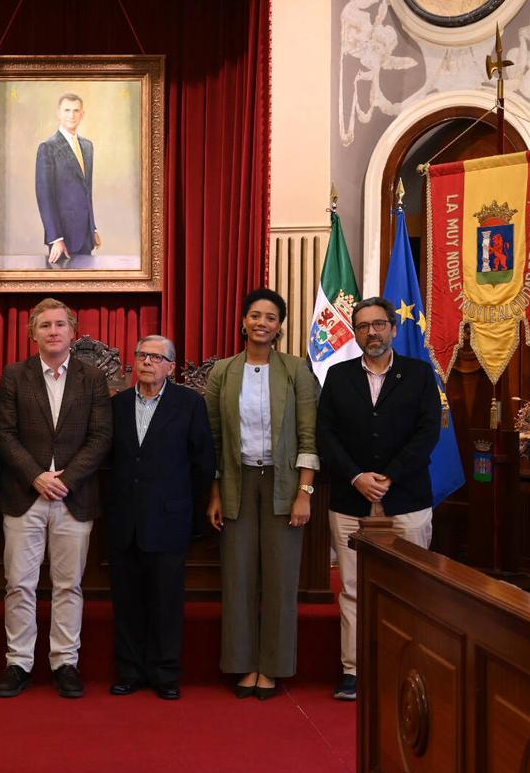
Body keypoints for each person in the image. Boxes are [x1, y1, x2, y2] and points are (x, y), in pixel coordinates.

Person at [317, 296, 441, 701]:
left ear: (394, 328)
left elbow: (428, 434)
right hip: (352, 501)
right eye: (364, 326)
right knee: (352, 587)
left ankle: (405, 667)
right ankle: (353, 670)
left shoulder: (421, 375)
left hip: (406, 498)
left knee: (410, 587)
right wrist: (356, 477)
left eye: (379, 324)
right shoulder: (337, 376)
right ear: (355, 332)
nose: (372, 332)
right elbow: (326, 436)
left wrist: (388, 476)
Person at [0, 298, 112, 698]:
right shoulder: (14, 376)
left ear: (72, 331)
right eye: (45, 326)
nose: (54, 331)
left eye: (60, 324)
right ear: (33, 334)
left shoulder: (92, 378)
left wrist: (67, 480)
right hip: (25, 496)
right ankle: (18, 662)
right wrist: (36, 476)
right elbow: (4, 433)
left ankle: (65, 662)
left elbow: (101, 437)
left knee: (68, 585)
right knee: (19, 585)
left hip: (73, 499)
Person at [206, 288, 319, 700]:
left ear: (279, 327)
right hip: (236, 483)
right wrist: (215, 492)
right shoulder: (223, 371)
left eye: (270, 317)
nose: (262, 323)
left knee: (280, 578)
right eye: (255, 315)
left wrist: (304, 491)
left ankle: (272, 667)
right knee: (237, 577)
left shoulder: (295, 371)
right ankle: (241, 665)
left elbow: (309, 434)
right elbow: (214, 439)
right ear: (243, 322)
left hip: (284, 485)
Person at [107, 335, 215, 700]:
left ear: (171, 366)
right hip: (124, 520)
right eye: (141, 355)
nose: (147, 362)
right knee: (127, 601)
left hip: (169, 518)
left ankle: (165, 672)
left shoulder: (189, 405)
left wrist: (182, 501)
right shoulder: (117, 405)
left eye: (156, 357)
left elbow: (203, 463)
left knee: (167, 601)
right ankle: (129, 671)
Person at [35, 93, 101, 270]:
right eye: (67, 110)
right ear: (59, 113)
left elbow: (87, 191)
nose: (71, 115)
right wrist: (55, 238)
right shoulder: (48, 148)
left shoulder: (87, 146)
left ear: (82, 114)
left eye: (76, 110)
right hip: (62, 237)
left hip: (86, 236)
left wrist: (92, 228)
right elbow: (45, 197)